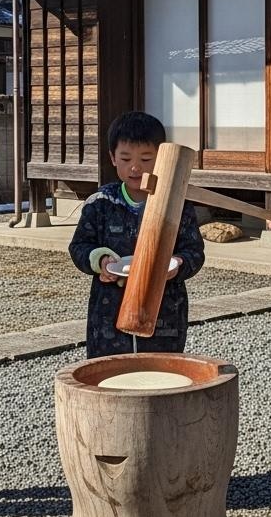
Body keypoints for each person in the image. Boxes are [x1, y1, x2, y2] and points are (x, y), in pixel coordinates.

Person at [69, 111, 205, 358]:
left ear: (161, 158)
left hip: (165, 310)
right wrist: (101, 261)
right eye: (125, 158)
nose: (135, 167)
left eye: (145, 159)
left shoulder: (177, 204)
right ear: (112, 158)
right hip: (108, 311)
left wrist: (178, 265)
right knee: (111, 374)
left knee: (161, 373)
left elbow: (194, 251)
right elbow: (80, 246)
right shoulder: (101, 202)